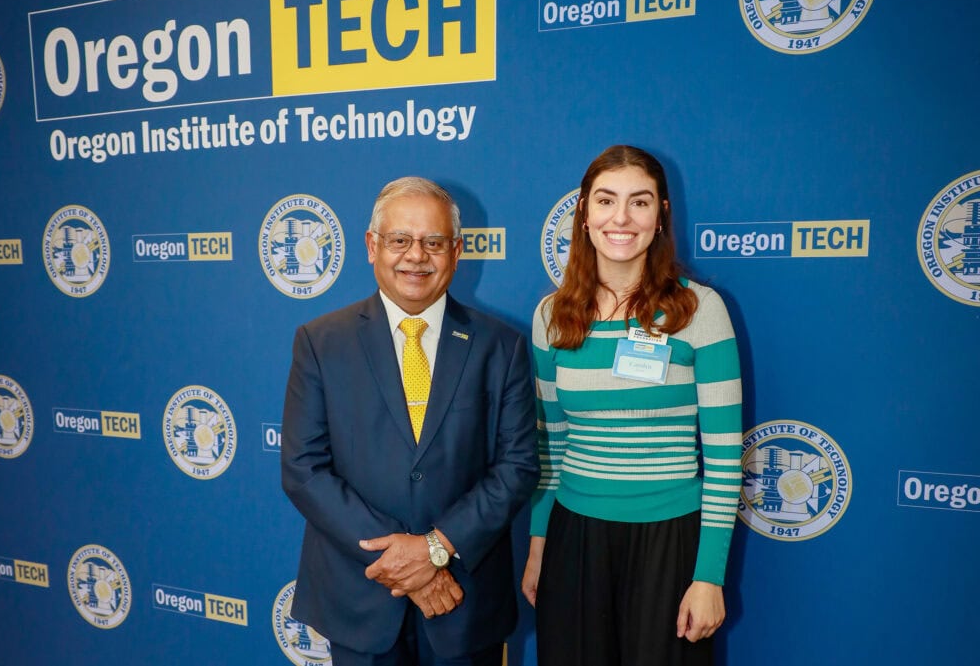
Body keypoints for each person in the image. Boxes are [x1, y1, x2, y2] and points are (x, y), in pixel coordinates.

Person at [281, 176, 539, 666]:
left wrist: (436, 549)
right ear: (371, 246)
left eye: (433, 242)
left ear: (457, 251)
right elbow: (303, 469)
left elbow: (517, 467)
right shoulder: (320, 342)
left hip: (464, 602)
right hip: (360, 599)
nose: (416, 256)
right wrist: (403, 564)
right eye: (399, 240)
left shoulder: (501, 347)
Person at [521, 145, 743, 665]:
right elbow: (548, 448)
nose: (621, 218)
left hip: (670, 544)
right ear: (584, 214)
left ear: (661, 214)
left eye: (639, 202)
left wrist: (708, 576)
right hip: (573, 542)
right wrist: (538, 548)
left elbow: (726, 460)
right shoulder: (552, 317)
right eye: (606, 200)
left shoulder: (700, 311)